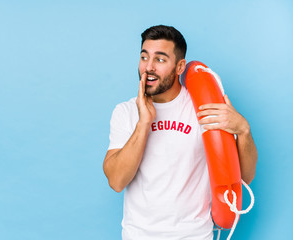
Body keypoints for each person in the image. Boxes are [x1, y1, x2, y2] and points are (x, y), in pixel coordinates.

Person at [103, 25, 258, 240]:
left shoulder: (204, 108)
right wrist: (143, 123)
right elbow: (116, 181)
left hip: (194, 235)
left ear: (179, 67)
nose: (148, 67)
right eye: (144, 57)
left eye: (160, 59)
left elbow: (244, 177)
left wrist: (243, 130)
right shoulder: (125, 111)